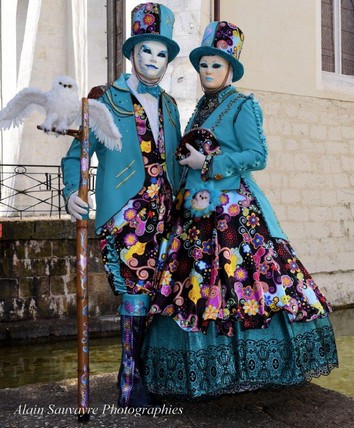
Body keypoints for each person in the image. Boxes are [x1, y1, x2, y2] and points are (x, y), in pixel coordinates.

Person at [141, 21, 338, 398]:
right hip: (196, 212)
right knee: (195, 284)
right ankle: (205, 371)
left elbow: (257, 155)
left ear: (230, 69)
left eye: (216, 65)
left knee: (239, 281)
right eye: (204, 65)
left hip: (234, 211)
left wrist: (210, 164)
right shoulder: (199, 109)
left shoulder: (243, 104)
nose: (208, 72)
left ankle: (248, 368)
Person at [61, 3, 182, 408]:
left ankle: (150, 371)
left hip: (166, 212)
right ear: (133, 52)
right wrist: (71, 192)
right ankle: (130, 380)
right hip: (126, 212)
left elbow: (173, 159)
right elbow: (75, 154)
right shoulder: (103, 99)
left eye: (161, 53)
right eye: (146, 50)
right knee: (134, 293)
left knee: (158, 294)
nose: (153, 60)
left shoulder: (169, 105)